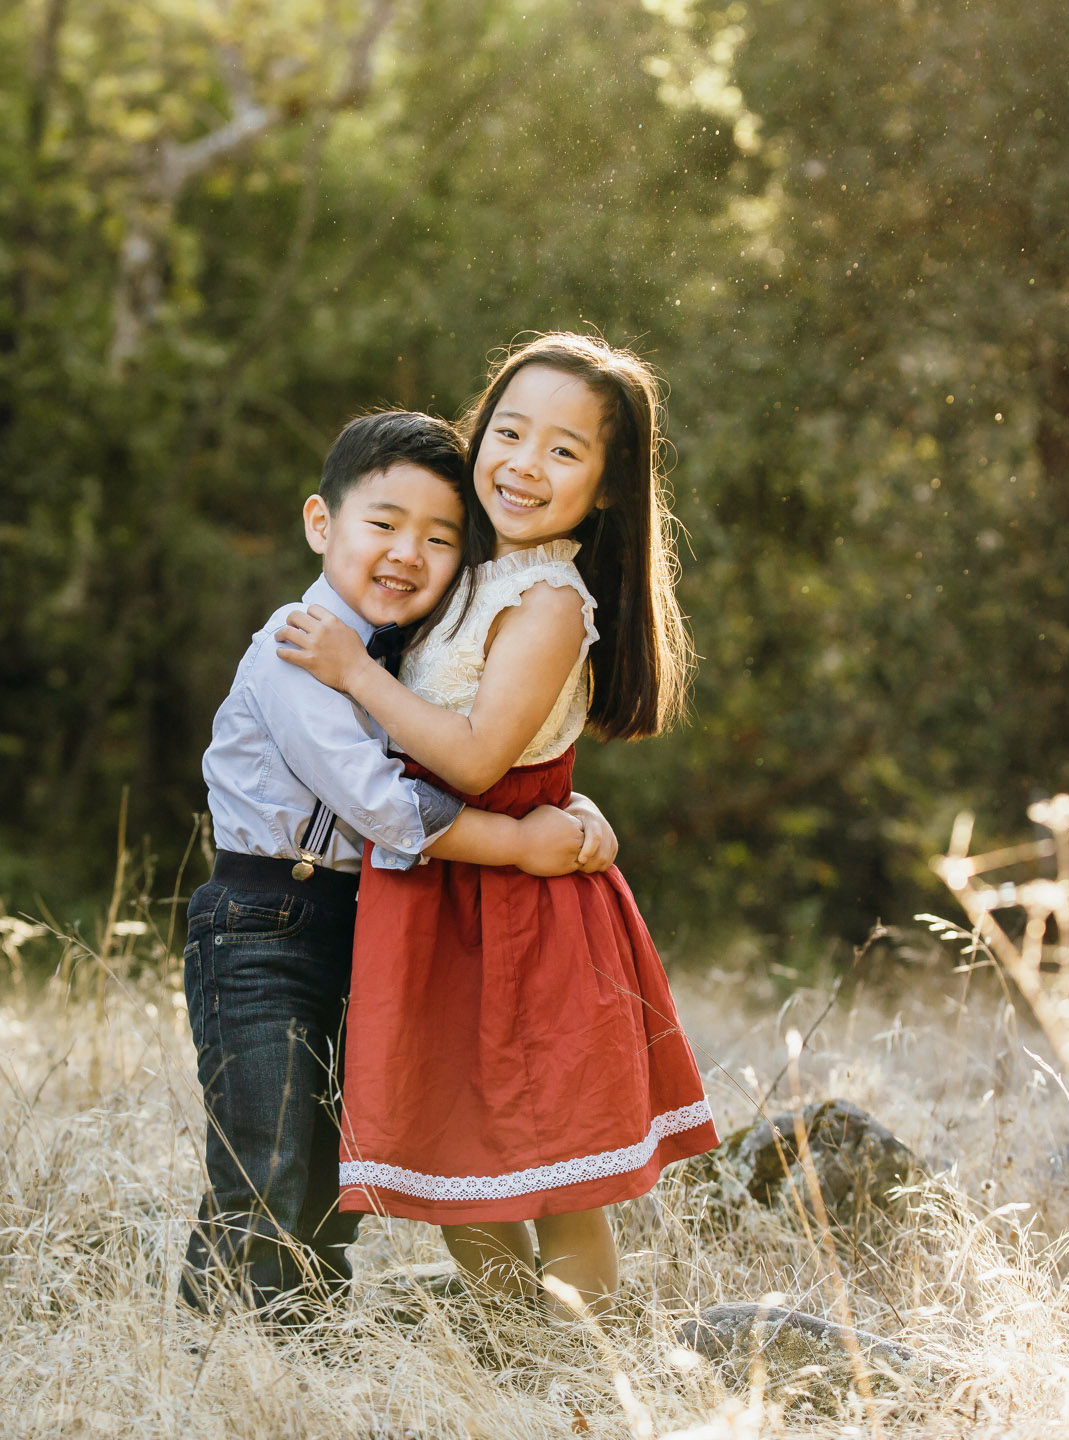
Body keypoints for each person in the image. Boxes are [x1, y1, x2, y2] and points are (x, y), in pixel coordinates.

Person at [276, 335, 718, 1316]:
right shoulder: (456, 568)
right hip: (432, 897)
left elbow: (478, 759)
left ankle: (581, 1375)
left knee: (556, 1171)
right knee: (454, 1165)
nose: (525, 463)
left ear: (607, 487)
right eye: (509, 431)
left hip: (518, 915)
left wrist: (351, 674)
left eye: (565, 450)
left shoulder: (550, 597)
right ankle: (519, 1359)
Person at [180, 409, 623, 1324]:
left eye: (438, 538)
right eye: (382, 525)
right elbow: (378, 799)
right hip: (264, 925)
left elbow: (478, 741)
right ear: (320, 524)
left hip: (369, 927)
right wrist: (522, 843)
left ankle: (306, 1349)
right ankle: (217, 1358)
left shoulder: (408, 656)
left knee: (336, 1168)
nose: (406, 555)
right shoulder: (299, 645)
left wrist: (565, 807)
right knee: (265, 1156)